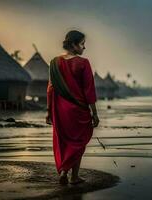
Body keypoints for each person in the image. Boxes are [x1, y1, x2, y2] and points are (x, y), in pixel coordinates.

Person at [46, 30, 100, 185]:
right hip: (78, 110)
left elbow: (50, 88)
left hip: (60, 111)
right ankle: (73, 176)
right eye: (82, 44)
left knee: (64, 142)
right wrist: (94, 113)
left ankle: (64, 171)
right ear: (74, 45)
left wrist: (49, 111)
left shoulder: (54, 62)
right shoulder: (83, 63)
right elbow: (89, 90)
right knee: (79, 143)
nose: (84, 47)